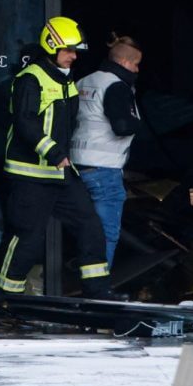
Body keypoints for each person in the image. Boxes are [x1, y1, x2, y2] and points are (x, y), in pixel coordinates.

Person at [0, 16, 115, 300]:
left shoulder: (64, 79)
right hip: (31, 176)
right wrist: (55, 153)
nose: (74, 56)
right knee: (29, 238)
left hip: (60, 174)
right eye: (69, 50)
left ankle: (97, 292)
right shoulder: (30, 79)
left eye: (75, 51)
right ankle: (5, 297)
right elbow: (26, 124)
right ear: (52, 47)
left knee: (90, 225)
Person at [69, 34, 143, 267]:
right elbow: (122, 126)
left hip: (76, 166)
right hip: (104, 170)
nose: (137, 69)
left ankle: (87, 285)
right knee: (106, 234)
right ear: (124, 63)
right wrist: (138, 124)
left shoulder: (83, 82)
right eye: (135, 64)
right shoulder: (116, 86)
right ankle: (98, 291)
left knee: (87, 232)